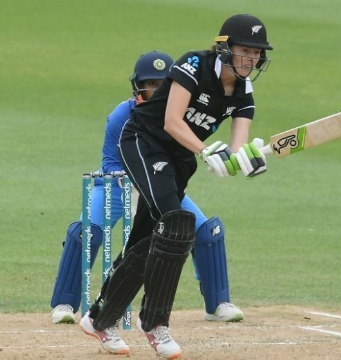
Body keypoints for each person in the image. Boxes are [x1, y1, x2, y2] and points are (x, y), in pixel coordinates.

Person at [79, 14, 273, 358]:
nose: (251, 60)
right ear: (225, 47)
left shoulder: (244, 92)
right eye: (245, 50)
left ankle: (99, 317)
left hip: (179, 160)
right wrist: (206, 148)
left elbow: (236, 148)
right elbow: (171, 121)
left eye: (257, 53)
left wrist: (249, 159)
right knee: (177, 222)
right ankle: (154, 323)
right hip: (144, 141)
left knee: (147, 237)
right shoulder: (194, 63)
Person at [51, 51, 244, 327]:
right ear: (137, 85)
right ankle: (64, 304)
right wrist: (124, 178)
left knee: (205, 230)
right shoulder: (122, 114)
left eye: (161, 83)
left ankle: (217, 304)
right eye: (150, 84)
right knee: (86, 231)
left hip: (158, 184)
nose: (155, 90)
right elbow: (109, 157)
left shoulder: (181, 114)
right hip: (116, 188)